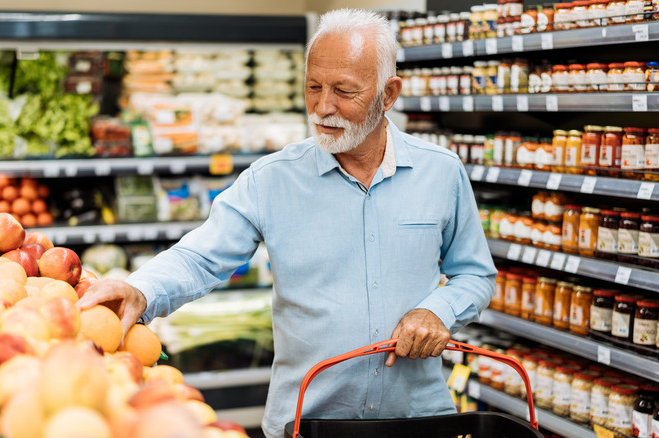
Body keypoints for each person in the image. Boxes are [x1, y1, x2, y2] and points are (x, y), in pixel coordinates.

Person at [78, 8, 496, 438]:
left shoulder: (441, 172)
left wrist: (437, 310)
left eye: (344, 91)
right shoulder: (271, 179)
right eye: (313, 87)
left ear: (388, 94)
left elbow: (475, 273)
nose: (323, 107)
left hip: (421, 422)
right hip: (307, 423)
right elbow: (200, 257)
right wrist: (141, 290)